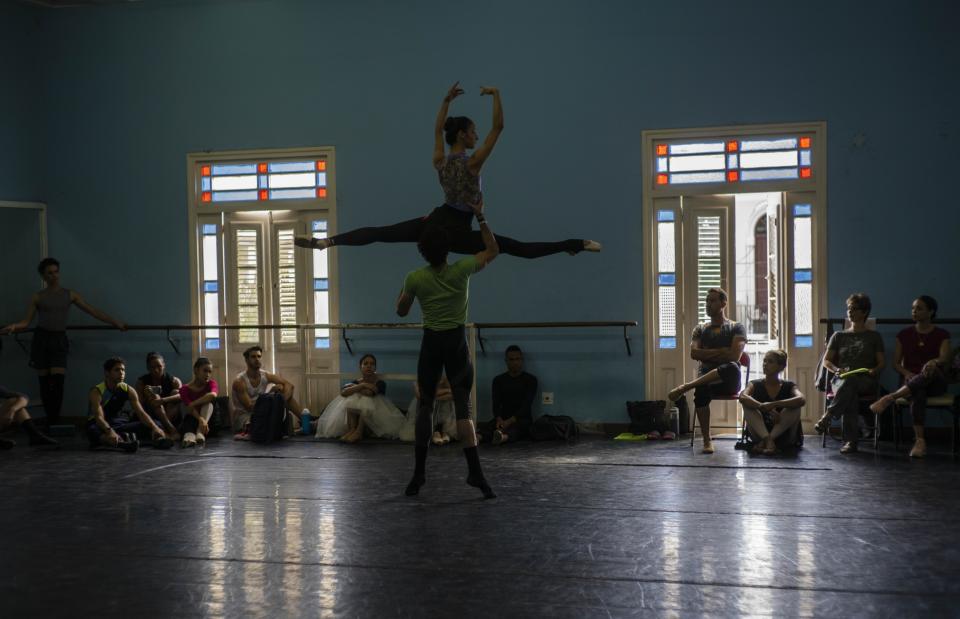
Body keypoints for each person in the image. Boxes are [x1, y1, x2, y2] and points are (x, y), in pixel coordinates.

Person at [294, 83, 601, 260]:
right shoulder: (472, 162)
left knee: (380, 233)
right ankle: (574, 245)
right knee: (515, 248)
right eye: (474, 132)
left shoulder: (439, 159)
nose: (477, 136)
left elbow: (436, 128)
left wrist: (444, 101)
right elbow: (500, 127)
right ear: (464, 136)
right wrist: (496, 95)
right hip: (456, 228)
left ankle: (326, 242)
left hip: (434, 221)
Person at [396, 197, 498, 499]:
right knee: (463, 409)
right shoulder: (462, 269)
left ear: (423, 251)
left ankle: (418, 475)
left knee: (425, 407)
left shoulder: (414, 277)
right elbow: (493, 249)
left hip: (431, 344)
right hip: (455, 343)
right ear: (447, 249)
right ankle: (476, 473)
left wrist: (404, 293)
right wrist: (480, 218)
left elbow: (401, 311)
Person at [1, 257, 126, 427]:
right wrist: (13, 327)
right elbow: (26, 322)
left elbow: (92, 310)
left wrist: (115, 322)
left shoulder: (69, 294)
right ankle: (50, 420)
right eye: (49, 273)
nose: (54, 276)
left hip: (59, 339)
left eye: (56, 272)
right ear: (43, 276)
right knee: (45, 384)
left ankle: (55, 421)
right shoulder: (38, 297)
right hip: (41, 339)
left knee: (58, 382)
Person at [667, 288, 747, 454]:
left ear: (723, 303)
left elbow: (734, 356)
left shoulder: (737, 327)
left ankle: (685, 387)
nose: (708, 304)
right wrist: (722, 351)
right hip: (707, 381)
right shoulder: (700, 329)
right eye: (706, 301)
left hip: (729, 381)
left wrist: (708, 354)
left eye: (712, 301)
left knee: (731, 366)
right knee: (702, 389)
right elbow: (694, 353)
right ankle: (706, 440)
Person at [870, 296, 951, 458]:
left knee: (930, 369)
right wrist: (907, 374)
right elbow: (896, 364)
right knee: (917, 392)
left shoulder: (942, 334)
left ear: (931, 312)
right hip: (911, 381)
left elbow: (944, 358)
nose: (914, 311)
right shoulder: (904, 334)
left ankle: (890, 397)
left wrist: (933, 362)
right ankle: (920, 441)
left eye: (919, 308)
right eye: (913, 308)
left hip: (936, 382)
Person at [815, 293, 885, 454]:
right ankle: (849, 441)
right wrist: (836, 369)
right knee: (849, 389)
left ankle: (831, 419)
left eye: (854, 309)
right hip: (841, 378)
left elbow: (882, 362)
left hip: (866, 379)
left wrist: (875, 370)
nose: (850, 312)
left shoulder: (874, 336)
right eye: (848, 309)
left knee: (851, 384)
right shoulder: (838, 336)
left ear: (864, 312)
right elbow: (827, 361)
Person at [86, 357, 173, 451]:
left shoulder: (128, 390)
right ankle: (122, 444)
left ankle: (158, 440)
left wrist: (155, 428)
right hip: (99, 424)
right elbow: (99, 417)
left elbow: (141, 413)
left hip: (118, 423)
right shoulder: (97, 391)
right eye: (117, 370)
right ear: (107, 373)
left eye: (123, 370)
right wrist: (110, 431)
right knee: (92, 430)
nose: (121, 373)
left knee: (156, 423)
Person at [315, 354, 404, 442]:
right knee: (351, 398)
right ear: (360, 367)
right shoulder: (357, 382)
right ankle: (352, 430)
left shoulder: (380, 383)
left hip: (375, 417)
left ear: (375, 368)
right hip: (358, 416)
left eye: (372, 364)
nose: (369, 366)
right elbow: (343, 393)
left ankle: (359, 432)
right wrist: (363, 385)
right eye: (365, 363)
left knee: (366, 399)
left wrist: (355, 388)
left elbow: (369, 393)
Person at [230, 345, 309, 441]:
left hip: (262, 411)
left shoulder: (265, 375)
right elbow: (250, 407)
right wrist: (271, 394)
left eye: (259, 356)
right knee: (274, 398)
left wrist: (281, 400)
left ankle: (307, 424)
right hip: (245, 416)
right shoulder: (239, 381)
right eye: (253, 357)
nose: (257, 359)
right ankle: (250, 432)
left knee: (283, 392)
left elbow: (289, 386)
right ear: (246, 360)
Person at [738, 349, 806, 455]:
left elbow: (801, 399)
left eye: (770, 362)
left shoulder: (789, 385)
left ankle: (767, 441)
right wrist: (762, 406)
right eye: (764, 361)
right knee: (746, 405)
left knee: (795, 406)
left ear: (781, 367)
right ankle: (768, 440)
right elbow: (742, 396)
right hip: (759, 434)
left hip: (785, 436)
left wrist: (774, 404)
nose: (765, 364)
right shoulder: (754, 384)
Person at [477, 345, 537, 445]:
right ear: (506, 361)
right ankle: (479, 437)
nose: (515, 362)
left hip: (522, 419)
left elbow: (527, 405)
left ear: (522, 360)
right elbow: (495, 402)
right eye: (511, 359)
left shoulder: (531, 380)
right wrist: (499, 418)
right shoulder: (498, 380)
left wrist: (510, 421)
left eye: (517, 359)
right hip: (503, 418)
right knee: (489, 427)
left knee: (518, 429)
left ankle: (503, 437)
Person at [135, 352, 182, 442]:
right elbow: (139, 405)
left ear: (163, 365)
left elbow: (182, 396)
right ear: (148, 368)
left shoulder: (174, 380)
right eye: (153, 367)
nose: (156, 370)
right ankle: (172, 431)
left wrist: (162, 400)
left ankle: (166, 431)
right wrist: (147, 394)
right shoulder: (141, 382)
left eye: (159, 366)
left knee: (175, 392)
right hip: (152, 416)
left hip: (171, 415)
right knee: (154, 396)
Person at [403, 375, 458, 445]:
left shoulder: (447, 377)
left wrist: (432, 395)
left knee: (446, 403)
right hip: (428, 403)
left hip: (441, 403)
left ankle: (443, 431)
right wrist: (445, 391)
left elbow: (454, 394)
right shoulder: (424, 376)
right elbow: (419, 394)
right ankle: (434, 432)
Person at [179, 357, 219, 448]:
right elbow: (190, 409)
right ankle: (189, 437)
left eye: (210, 372)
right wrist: (201, 419)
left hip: (210, 422)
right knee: (189, 419)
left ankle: (200, 432)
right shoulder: (184, 389)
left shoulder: (211, 383)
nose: (208, 374)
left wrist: (193, 403)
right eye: (205, 371)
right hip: (195, 419)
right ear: (196, 370)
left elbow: (213, 395)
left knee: (208, 404)